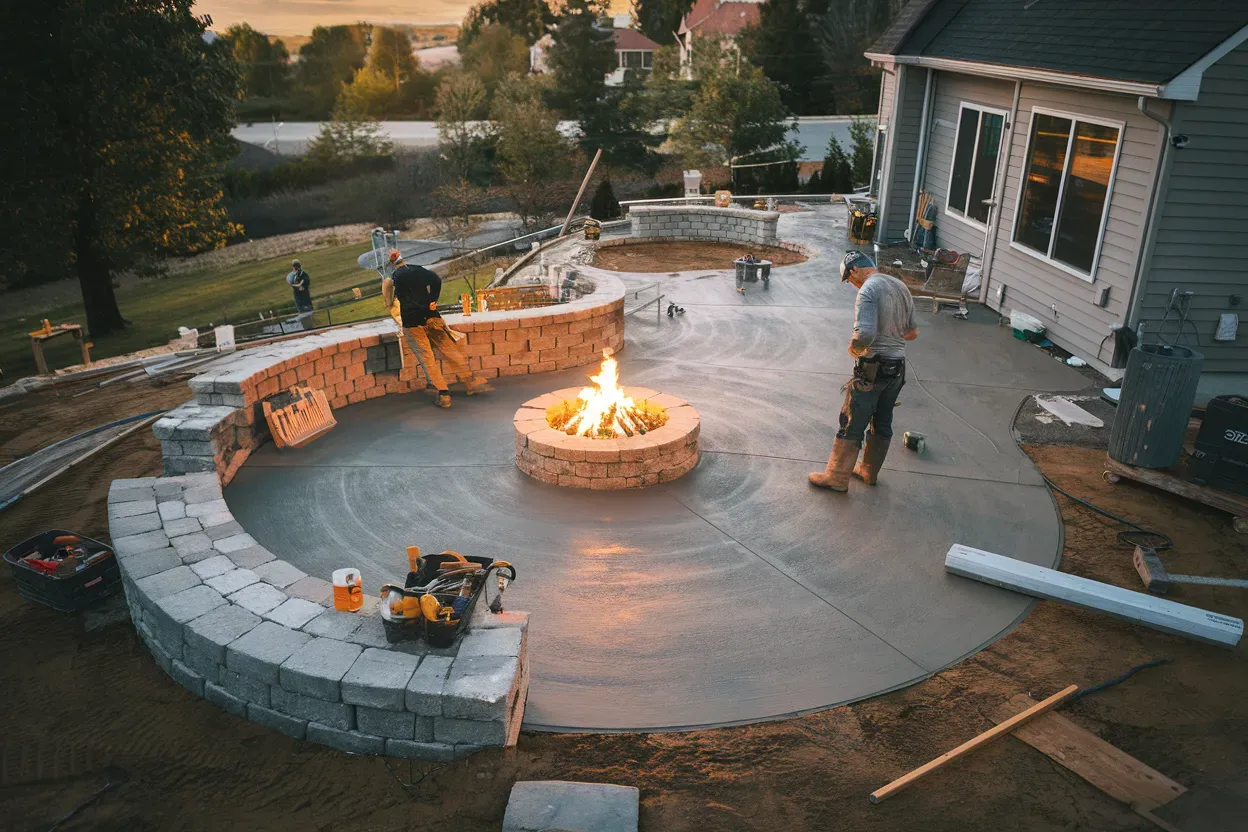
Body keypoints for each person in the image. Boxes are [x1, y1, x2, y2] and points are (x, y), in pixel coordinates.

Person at [810, 250, 919, 492]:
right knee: (882, 419)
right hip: (897, 369)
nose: (852, 284)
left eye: (849, 279)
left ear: (855, 270)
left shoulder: (868, 290)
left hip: (873, 369)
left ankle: (837, 478)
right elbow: (912, 333)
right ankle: (868, 472)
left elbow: (866, 334)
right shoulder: (900, 287)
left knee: (852, 420)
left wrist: (854, 346)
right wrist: (891, 336)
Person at [382, 249, 492, 408]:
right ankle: (470, 382)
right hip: (432, 316)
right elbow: (436, 280)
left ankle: (443, 394)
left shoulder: (395, 277)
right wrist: (432, 299)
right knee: (450, 349)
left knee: (427, 358)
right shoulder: (418, 270)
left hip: (413, 323)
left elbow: (391, 300)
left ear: (391, 263)